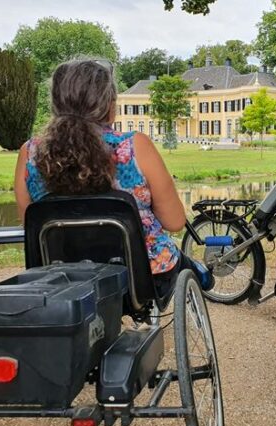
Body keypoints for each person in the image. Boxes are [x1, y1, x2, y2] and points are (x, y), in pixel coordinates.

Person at [13, 59, 211, 298]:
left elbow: (30, 221)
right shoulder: (135, 146)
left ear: (55, 103)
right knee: (176, 261)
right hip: (140, 279)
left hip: (63, 280)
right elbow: (175, 222)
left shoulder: (30, 152)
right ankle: (198, 271)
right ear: (109, 104)